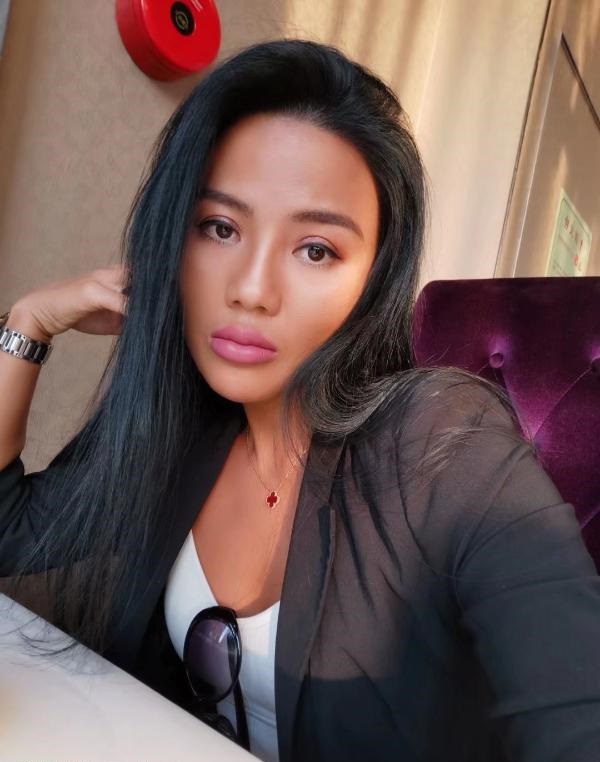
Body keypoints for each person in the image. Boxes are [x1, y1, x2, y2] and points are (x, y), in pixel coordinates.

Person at [1, 38, 600, 762]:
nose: (252, 290)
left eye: (316, 249)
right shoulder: (183, 427)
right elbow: (9, 532)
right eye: (220, 228)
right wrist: (28, 323)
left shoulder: (444, 444)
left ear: (373, 280)